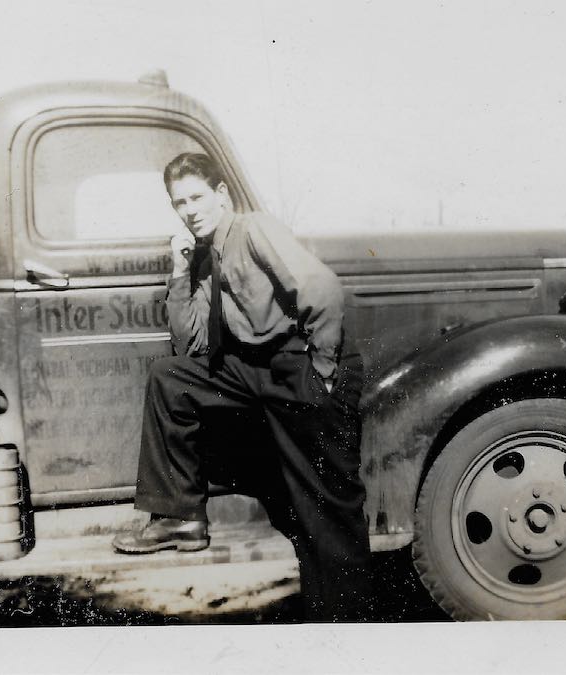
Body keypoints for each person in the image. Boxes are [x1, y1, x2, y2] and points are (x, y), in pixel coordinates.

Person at [111, 151, 373, 622]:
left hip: (303, 365)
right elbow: (188, 344)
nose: (189, 210)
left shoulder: (253, 230)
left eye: (196, 198)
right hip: (253, 373)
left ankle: (348, 626)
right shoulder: (205, 257)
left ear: (220, 195)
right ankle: (180, 516)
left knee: (327, 511)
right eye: (179, 203)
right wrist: (178, 271)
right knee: (170, 379)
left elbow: (322, 289)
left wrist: (325, 373)